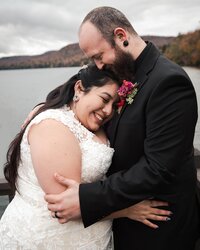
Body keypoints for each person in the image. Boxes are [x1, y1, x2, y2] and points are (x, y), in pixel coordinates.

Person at [42, 6, 200, 250]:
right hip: (124, 222)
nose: (98, 65)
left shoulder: (169, 82)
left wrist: (87, 198)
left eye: (98, 56)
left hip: (159, 229)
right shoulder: (122, 72)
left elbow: (158, 168)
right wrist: (43, 110)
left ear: (121, 36)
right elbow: (82, 86)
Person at [0, 64, 170, 249]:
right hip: (49, 239)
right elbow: (66, 207)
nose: (107, 111)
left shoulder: (90, 121)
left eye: (114, 105)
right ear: (79, 88)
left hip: (92, 237)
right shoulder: (53, 127)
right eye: (104, 99)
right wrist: (129, 210)